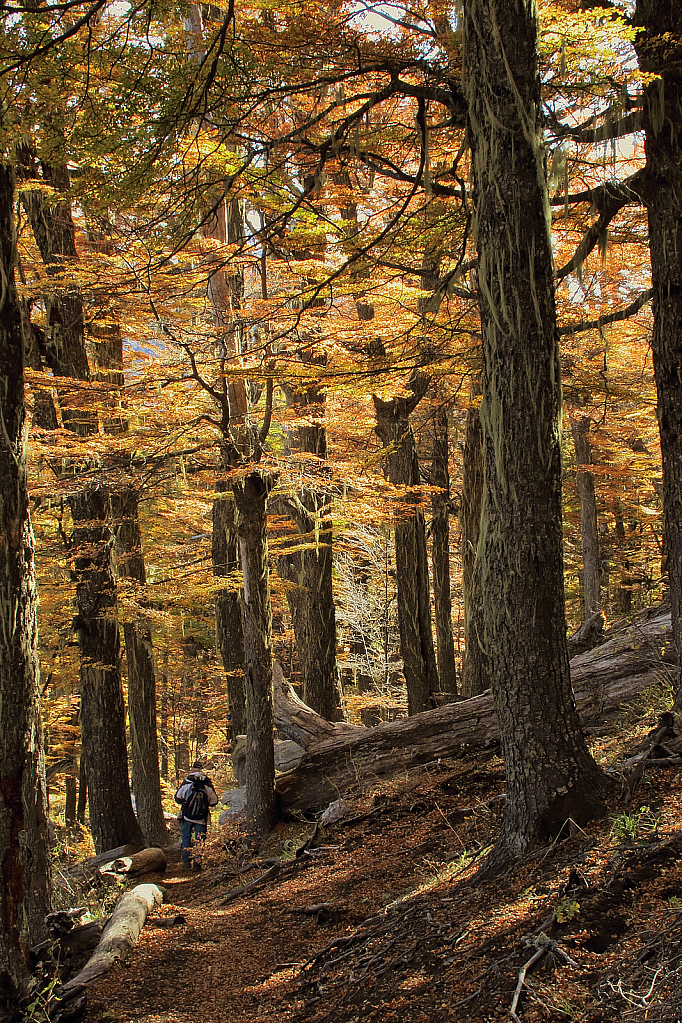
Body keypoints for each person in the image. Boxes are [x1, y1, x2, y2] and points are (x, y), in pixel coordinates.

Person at [174, 760, 219, 870]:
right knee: (200, 839)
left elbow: (178, 798)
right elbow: (214, 801)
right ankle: (197, 863)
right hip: (202, 818)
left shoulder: (187, 781)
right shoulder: (207, 783)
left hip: (187, 816)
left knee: (186, 837)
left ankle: (186, 862)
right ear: (201, 770)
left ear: (192, 769)